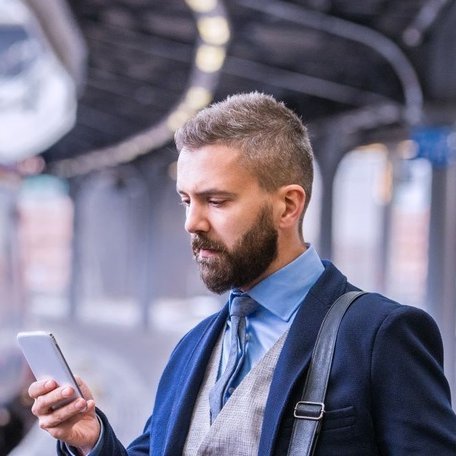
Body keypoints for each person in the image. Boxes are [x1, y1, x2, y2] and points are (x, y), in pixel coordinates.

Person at [29, 92, 456, 455]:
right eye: (185, 200)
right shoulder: (191, 348)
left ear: (288, 206)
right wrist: (92, 439)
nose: (191, 223)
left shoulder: (381, 335)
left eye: (215, 201)